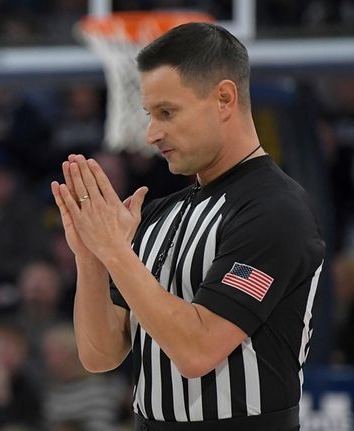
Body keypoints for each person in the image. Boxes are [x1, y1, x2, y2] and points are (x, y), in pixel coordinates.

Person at [51, 22, 325, 430]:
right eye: (149, 114)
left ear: (224, 99)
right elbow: (100, 354)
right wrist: (90, 258)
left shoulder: (275, 210)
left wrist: (114, 251)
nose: (150, 133)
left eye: (167, 112)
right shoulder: (163, 213)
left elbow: (197, 351)